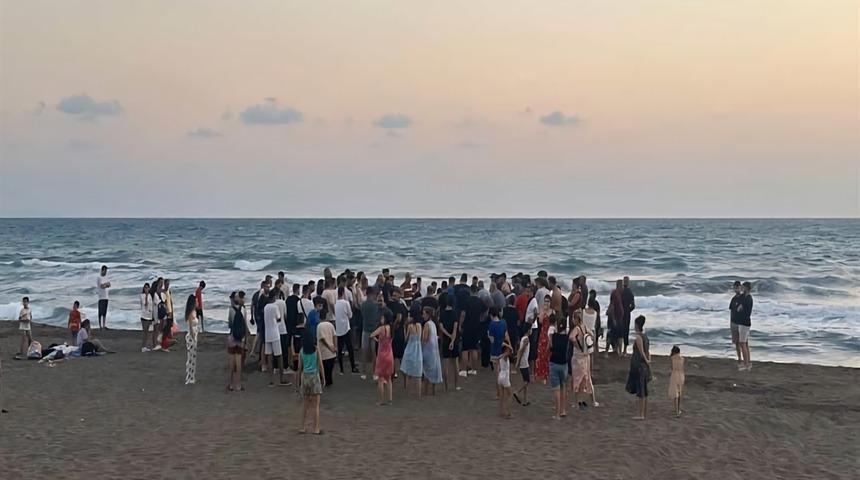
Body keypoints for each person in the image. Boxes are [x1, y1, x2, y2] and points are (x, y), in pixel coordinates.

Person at [297, 331, 324, 435]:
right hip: (314, 377)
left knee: (305, 405)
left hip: (305, 377)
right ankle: (316, 428)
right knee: (316, 406)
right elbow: (320, 365)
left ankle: (302, 427)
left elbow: (299, 368)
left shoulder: (302, 351)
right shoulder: (316, 350)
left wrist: (298, 381)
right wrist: (323, 378)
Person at [569, 310, 596, 410]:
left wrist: (577, 345)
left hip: (578, 356)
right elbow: (592, 335)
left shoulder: (577, 328)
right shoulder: (585, 327)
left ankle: (576, 402)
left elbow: (571, 337)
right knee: (587, 377)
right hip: (586, 355)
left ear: (576, 319)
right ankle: (593, 401)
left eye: (573, 318)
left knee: (576, 379)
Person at [625, 315, 651, 420]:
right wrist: (649, 361)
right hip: (642, 366)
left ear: (637, 325)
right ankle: (642, 413)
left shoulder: (639, 338)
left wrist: (647, 361)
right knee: (643, 390)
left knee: (641, 391)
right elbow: (647, 351)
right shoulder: (645, 337)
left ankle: (641, 414)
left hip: (640, 366)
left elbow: (642, 353)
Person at [461, 285, 487, 376]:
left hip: (467, 326)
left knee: (465, 349)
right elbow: (485, 311)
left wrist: (460, 325)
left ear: (470, 291)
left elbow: (463, 314)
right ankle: (473, 369)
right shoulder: (480, 302)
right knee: (474, 348)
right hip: (477, 326)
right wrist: (480, 319)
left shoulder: (466, 301)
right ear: (477, 291)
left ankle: (464, 370)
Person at [548, 314, 569, 420]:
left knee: (556, 389)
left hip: (554, 363)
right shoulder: (567, 337)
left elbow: (550, 346)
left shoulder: (554, 336)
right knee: (563, 386)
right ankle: (563, 410)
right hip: (564, 364)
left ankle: (556, 414)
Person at [371, 308, 394, 405]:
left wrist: (377, 340)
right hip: (390, 355)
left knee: (380, 379)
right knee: (388, 379)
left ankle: (381, 400)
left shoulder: (381, 328)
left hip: (382, 355)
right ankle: (390, 399)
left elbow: (372, 335)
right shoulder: (392, 329)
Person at [438, 294, 460, 392]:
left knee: (445, 364)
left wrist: (448, 336)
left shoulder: (442, 314)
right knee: (455, 363)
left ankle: (446, 386)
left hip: (445, 340)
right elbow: (455, 329)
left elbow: (441, 327)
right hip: (454, 340)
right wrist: (452, 339)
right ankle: (456, 385)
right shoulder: (455, 313)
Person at [400, 312, 423, 399]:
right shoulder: (420, 326)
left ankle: (410, 392)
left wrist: (404, 330)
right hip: (418, 349)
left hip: (410, 348)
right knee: (418, 374)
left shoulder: (410, 326)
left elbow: (406, 338)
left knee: (408, 371)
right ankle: (418, 394)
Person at [334, 287, 357, 374]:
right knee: (350, 348)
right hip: (346, 327)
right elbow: (350, 315)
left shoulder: (335, 303)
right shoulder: (346, 303)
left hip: (338, 328)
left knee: (339, 350)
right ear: (343, 293)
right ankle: (353, 367)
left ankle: (341, 369)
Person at [263, 293, 284, 386]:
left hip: (267, 334)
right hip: (275, 333)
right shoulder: (275, 307)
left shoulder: (265, 307)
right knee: (279, 356)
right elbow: (279, 318)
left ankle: (270, 380)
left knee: (269, 357)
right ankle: (281, 379)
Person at [227, 291, 247, 391]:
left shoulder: (231, 310)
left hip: (232, 337)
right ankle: (238, 384)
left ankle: (231, 384)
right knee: (239, 362)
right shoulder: (243, 310)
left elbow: (230, 325)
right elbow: (245, 324)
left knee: (232, 361)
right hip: (241, 338)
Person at [488, 307, 509, 399]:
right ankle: (504, 391)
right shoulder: (503, 323)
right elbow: (506, 336)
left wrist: (488, 335)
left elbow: (492, 340)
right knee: (503, 372)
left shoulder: (491, 325)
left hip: (494, 351)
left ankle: (498, 394)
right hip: (503, 350)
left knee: (497, 374)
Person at [420, 307, 443, 393]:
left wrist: (421, 347)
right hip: (434, 350)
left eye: (424, 314)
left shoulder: (427, 325)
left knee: (426, 370)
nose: (423, 316)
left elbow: (424, 339)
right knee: (433, 369)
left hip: (427, 350)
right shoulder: (433, 324)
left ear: (428, 314)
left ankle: (425, 390)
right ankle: (433, 390)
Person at [360, 287, 380, 380]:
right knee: (373, 352)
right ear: (371, 294)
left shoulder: (363, 304)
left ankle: (363, 373)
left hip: (365, 329)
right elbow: (377, 317)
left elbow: (362, 315)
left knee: (364, 350)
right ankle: (374, 373)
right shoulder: (375, 305)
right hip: (374, 330)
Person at [316, 299, 337, 387]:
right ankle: (329, 382)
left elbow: (322, 339)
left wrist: (329, 347)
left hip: (324, 353)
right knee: (330, 371)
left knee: (324, 370)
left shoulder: (319, 326)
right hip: (332, 353)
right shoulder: (330, 325)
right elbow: (334, 336)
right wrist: (335, 347)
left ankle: (324, 382)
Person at [387, 288, 407, 378]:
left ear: (400, 295)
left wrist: (393, 326)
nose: (393, 297)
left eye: (395, 295)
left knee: (397, 353)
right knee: (396, 354)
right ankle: (397, 371)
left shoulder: (399, 306)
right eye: (393, 295)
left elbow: (399, 318)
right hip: (399, 331)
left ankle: (398, 371)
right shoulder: (397, 305)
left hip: (397, 332)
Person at [736, 281, 754, 371]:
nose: (741, 288)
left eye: (743, 287)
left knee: (742, 344)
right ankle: (748, 363)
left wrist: (740, 308)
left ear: (746, 288)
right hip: (744, 322)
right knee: (745, 343)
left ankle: (746, 364)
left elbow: (742, 310)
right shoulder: (746, 297)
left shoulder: (748, 299)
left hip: (744, 323)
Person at [535, 295, 552, 382]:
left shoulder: (552, 312)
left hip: (550, 333)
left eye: (548, 301)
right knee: (541, 353)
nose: (546, 303)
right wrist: (543, 311)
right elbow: (540, 321)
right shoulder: (542, 311)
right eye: (545, 301)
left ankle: (547, 373)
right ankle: (541, 373)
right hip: (543, 333)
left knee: (548, 353)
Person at [513, 324, 531, 406]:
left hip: (523, 361)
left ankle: (525, 399)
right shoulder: (526, 339)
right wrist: (518, 361)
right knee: (527, 381)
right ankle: (517, 392)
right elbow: (522, 350)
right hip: (524, 362)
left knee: (525, 380)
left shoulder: (523, 339)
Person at [184, 295, 199, 385]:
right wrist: (193, 338)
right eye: (196, 301)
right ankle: (189, 378)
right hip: (191, 336)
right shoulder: (191, 313)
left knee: (193, 358)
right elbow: (190, 328)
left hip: (194, 335)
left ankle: (191, 376)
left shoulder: (194, 312)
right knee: (191, 358)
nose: (198, 303)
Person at [729, 281, 743, 366]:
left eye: (737, 287)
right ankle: (739, 358)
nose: (736, 289)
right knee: (736, 342)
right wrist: (731, 322)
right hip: (734, 322)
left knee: (743, 342)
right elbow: (731, 311)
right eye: (735, 287)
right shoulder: (733, 299)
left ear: (740, 287)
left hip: (741, 323)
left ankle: (745, 358)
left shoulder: (743, 298)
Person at [608, 280, 625, 356]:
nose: (623, 287)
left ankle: (618, 350)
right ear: (619, 285)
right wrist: (614, 319)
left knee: (619, 335)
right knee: (614, 335)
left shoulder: (619, 293)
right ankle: (616, 351)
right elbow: (612, 306)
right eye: (622, 286)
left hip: (619, 318)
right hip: (616, 318)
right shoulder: (615, 293)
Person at [669, 345, 685, 417]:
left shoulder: (672, 358)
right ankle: (678, 409)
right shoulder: (682, 358)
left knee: (675, 393)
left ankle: (676, 411)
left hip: (674, 374)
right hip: (681, 375)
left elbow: (672, 367)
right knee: (679, 392)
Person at [497, 342, 513, 419]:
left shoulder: (500, 357)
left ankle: (501, 411)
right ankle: (508, 413)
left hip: (500, 376)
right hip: (505, 377)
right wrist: (508, 345)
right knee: (510, 395)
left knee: (502, 396)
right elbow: (511, 350)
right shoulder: (505, 356)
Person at [621, 276, 636, 355]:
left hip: (621, 313)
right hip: (626, 313)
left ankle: (621, 349)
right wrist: (628, 310)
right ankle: (624, 350)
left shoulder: (621, 291)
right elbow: (633, 305)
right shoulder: (630, 292)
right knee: (626, 330)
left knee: (621, 330)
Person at [96, 265, 111, 329]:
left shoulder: (106, 277)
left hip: (106, 297)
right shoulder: (99, 277)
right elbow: (101, 286)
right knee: (100, 312)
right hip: (101, 297)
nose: (106, 272)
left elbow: (109, 284)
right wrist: (106, 285)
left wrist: (106, 285)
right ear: (102, 270)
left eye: (106, 271)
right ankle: (100, 325)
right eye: (105, 270)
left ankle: (104, 325)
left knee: (104, 312)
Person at [140, 283, 154, 352]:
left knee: (148, 332)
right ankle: (143, 346)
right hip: (144, 316)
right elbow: (145, 304)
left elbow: (151, 306)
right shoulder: (142, 295)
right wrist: (146, 295)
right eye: (145, 288)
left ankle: (145, 346)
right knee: (145, 332)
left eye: (147, 288)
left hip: (149, 316)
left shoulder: (150, 296)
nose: (146, 289)